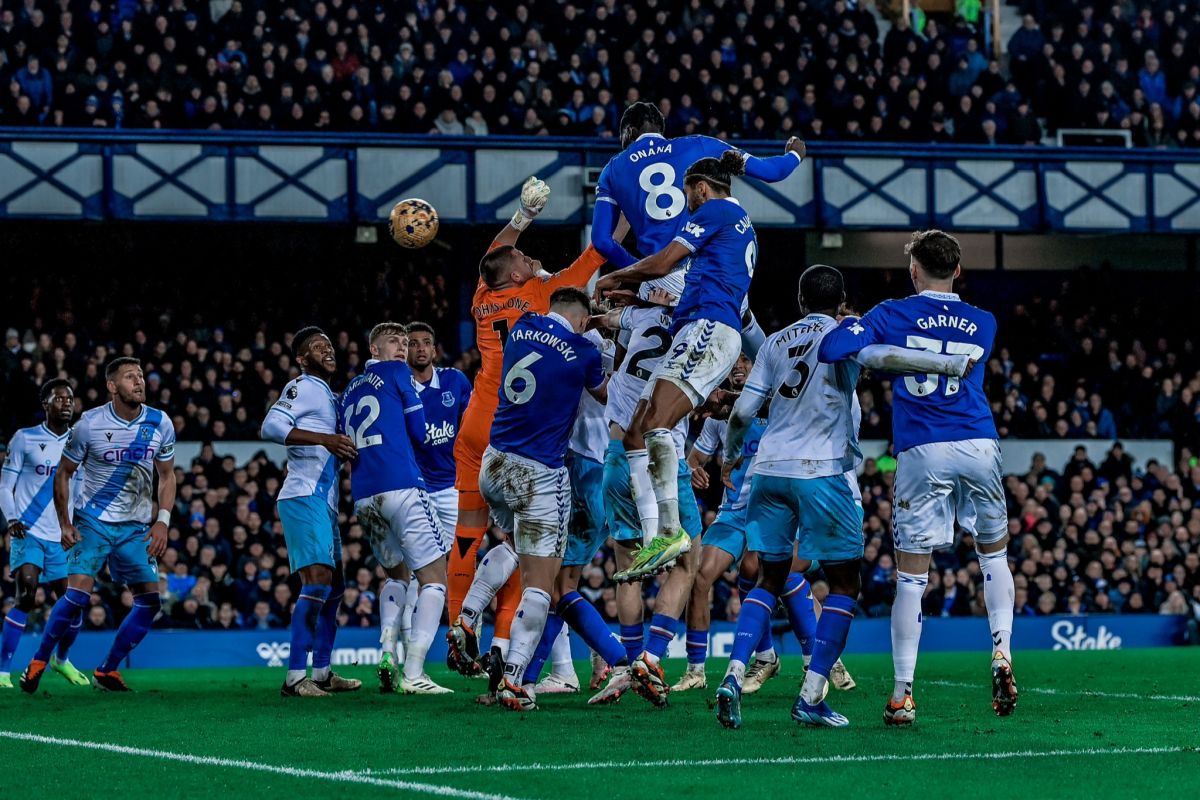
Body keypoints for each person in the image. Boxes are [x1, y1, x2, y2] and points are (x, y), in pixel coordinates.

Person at [715, 266, 969, 728]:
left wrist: (730, 457)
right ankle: (811, 696)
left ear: (799, 298)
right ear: (842, 300)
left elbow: (744, 411)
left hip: (768, 469)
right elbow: (889, 359)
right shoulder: (846, 336)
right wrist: (946, 364)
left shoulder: (774, 343)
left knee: (766, 580)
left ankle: (733, 675)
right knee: (844, 585)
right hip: (822, 472)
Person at [819, 231, 1018, 724]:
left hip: (922, 448)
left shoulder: (891, 313)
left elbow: (833, 348)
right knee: (994, 557)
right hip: (978, 441)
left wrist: (854, 326)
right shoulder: (985, 321)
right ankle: (1002, 652)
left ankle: (903, 694)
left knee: (911, 578)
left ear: (914, 270)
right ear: (958, 269)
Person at [447, 177, 622, 670]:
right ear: (515, 274)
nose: (528, 259)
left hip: (481, 423)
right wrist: (624, 213)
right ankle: (511, 655)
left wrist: (521, 218)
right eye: (524, 260)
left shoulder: (484, 298)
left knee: (471, 532)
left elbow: (496, 253)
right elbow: (595, 256)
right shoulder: (542, 298)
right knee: (537, 555)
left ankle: (461, 617)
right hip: (530, 432)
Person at [595, 150, 758, 584]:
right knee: (638, 427)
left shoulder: (716, 210)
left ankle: (669, 531)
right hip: (697, 327)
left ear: (700, 188)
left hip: (709, 330)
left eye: (688, 194)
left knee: (657, 425)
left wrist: (618, 276)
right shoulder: (738, 224)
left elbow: (666, 262)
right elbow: (693, 284)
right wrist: (640, 299)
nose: (686, 202)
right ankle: (657, 534)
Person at [590, 101, 804, 358]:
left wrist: (641, 268)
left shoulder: (612, 169)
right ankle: (776, 378)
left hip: (658, 277)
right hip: (706, 270)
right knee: (741, 321)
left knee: (630, 366)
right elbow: (773, 172)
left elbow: (602, 241)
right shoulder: (700, 145)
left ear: (627, 133)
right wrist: (795, 154)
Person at [478, 288, 607, 711]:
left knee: (518, 550)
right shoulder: (586, 351)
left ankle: (470, 612)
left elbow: (537, 299)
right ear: (585, 321)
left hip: (494, 463)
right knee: (549, 585)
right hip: (547, 471)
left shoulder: (521, 328)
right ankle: (519, 677)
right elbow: (608, 393)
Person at [20, 358, 177, 693]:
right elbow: (63, 474)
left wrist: (162, 520)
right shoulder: (89, 424)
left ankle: (106, 670)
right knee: (77, 596)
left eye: (140, 375)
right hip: (93, 522)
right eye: (130, 377)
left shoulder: (160, 422)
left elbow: (167, 475)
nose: (139, 381)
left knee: (150, 602)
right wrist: (65, 523)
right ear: (111, 385)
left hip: (136, 527)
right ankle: (39, 661)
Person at [584, 287, 703, 705]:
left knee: (628, 568)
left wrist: (604, 309)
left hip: (616, 454)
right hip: (661, 456)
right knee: (688, 563)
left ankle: (629, 661)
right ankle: (650, 659)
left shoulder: (638, 319)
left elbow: (604, 321)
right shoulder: (698, 330)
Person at [341, 326, 452, 695]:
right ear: (374, 347)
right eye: (396, 342)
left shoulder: (350, 390)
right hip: (401, 486)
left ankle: (387, 651)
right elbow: (420, 432)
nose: (403, 348)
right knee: (435, 578)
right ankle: (415, 671)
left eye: (407, 343)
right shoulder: (396, 373)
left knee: (396, 577)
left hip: (363, 495)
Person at [260, 327, 362, 698]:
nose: (328, 351)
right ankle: (294, 677)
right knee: (317, 581)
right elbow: (270, 426)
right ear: (303, 359)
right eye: (318, 348)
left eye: (330, 345)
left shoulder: (330, 396)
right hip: (303, 495)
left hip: (324, 501)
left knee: (334, 589)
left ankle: (321, 672)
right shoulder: (302, 386)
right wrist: (325, 439)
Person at [0, 379, 90, 689]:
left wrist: (76, 527)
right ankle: (2, 672)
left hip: (61, 537)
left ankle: (61, 660)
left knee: (73, 603)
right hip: (28, 530)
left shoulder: (79, 445)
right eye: (59, 398)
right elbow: (4, 485)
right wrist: (11, 518)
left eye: (70, 398)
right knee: (26, 594)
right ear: (46, 404)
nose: (67, 403)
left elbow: (78, 494)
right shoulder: (24, 439)